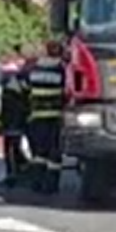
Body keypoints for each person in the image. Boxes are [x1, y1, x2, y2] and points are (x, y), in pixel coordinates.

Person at [23, 41, 67, 194]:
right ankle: (51, 186)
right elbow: (67, 91)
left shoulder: (34, 68)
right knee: (54, 155)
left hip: (36, 116)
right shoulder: (62, 69)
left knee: (39, 154)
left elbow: (26, 89)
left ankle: (36, 183)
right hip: (55, 117)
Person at [0, 67, 31, 186]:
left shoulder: (10, 91)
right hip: (16, 124)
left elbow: (4, 109)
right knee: (13, 149)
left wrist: (0, 124)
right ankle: (18, 172)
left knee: (11, 150)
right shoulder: (21, 90)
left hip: (12, 125)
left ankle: (13, 173)